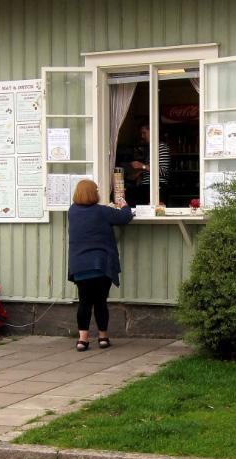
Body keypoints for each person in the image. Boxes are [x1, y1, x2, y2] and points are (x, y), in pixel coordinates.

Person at [68, 180, 133, 351]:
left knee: (84, 302)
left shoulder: (72, 211)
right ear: (93, 193)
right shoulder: (102, 212)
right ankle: (103, 337)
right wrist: (123, 203)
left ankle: (82, 340)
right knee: (100, 302)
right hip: (101, 264)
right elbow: (125, 217)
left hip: (80, 265)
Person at [128, 120, 171, 206]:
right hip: (148, 187)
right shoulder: (153, 148)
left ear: (153, 131)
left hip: (157, 188)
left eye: (144, 133)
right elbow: (151, 168)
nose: (142, 136)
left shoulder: (161, 147)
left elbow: (163, 171)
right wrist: (140, 172)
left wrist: (142, 166)